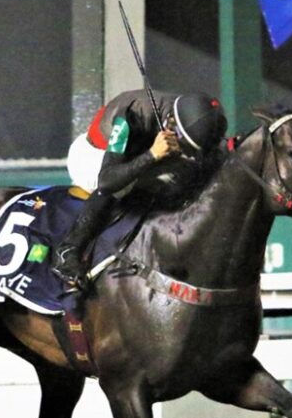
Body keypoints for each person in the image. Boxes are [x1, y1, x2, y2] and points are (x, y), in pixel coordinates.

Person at [51, 89, 227, 289]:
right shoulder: (131, 115)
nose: (187, 152)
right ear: (172, 125)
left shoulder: (195, 118)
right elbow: (107, 181)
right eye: (184, 145)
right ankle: (67, 251)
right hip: (93, 158)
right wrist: (152, 155)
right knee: (129, 185)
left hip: (136, 155)